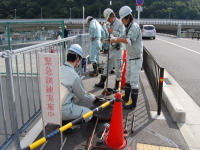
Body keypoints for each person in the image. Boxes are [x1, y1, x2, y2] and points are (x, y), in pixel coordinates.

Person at [110, 6, 143, 110]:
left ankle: (133, 103)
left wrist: (116, 39)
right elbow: (123, 37)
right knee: (127, 78)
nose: (122, 21)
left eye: (123, 19)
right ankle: (126, 97)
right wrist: (113, 39)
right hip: (130, 56)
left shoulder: (134, 27)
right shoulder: (128, 27)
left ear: (128, 18)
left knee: (134, 81)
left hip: (136, 59)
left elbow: (129, 41)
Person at [60, 44, 96, 122]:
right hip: (63, 110)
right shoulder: (74, 76)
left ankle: (65, 119)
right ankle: (67, 122)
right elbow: (82, 95)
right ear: (77, 59)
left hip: (53, 109)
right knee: (89, 114)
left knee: (74, 98)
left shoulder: (60, 69)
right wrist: (91, 97)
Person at [95, 8, 125, 91]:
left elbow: (122, 36)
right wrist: (106, 40)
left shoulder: (120, 23)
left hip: (117, 49)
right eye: (107, 19)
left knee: (118, 67)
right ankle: (101, 83)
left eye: (109, 19)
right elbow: (110, 37)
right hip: (111, 48)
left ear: (112, 16)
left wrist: (113, 31)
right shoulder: (109, 24)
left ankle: (116, 85)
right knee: (106, 66)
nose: (108, 20)